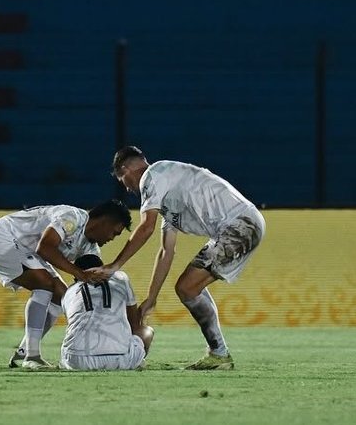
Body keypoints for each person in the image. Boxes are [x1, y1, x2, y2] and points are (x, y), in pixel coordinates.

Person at [97, 146, 265, 370]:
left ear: (126, 169)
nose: (127, 189)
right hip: (243, 222)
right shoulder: (170, 192)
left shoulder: (153, 176)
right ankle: (219, 353)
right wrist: (152, 298)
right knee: (189, 288)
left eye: (122, 180)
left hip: (237, 225)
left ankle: (219, 353)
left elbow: (146, 227)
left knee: (187, 288)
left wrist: (115, 265)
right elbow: (167, 251)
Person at [0, 200, 132, 369]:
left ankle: (23, 352)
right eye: (115, 233)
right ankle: (32, 356)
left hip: (24, 250)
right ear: (105, 222)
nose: (111, 238)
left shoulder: (90, 249)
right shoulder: (72, 218)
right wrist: (80, 273)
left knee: (61, 295)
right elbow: (45, 248)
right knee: (45, 284)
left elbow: (86, 281)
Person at [59, 254, 154, 371]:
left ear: (75, 275)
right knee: (146, 331)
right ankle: (138, 360)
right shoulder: (121, 278)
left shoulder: (69, 293)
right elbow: (134, 324)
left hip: (76, 361)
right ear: (102, 268)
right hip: (121, 359)